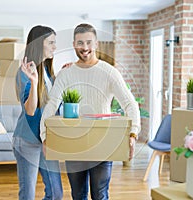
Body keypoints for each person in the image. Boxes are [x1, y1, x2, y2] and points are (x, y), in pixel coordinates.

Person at [40, 23, 141, 200]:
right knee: (78, 195)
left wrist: (132, 135)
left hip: (103, 143)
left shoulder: (109, 72)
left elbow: (130, 104)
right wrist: (45, 136)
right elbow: (51, 105)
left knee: (100, 195)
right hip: (74, 143)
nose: (85, 48)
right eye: (80, 43)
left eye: (89, 42)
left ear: (96, 44)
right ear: (74, 44)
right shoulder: (66, 74)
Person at [13, 25, 63, 200]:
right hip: (27, 141)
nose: (54, 47)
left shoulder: (48, 71)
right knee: (27, 195)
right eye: (51, 43)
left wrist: (66, 74)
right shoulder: (25, 72)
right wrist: (34, 82)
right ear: (38, 44)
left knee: (56, 193)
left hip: (46, 140)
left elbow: (54, 103)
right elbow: (30, 110)